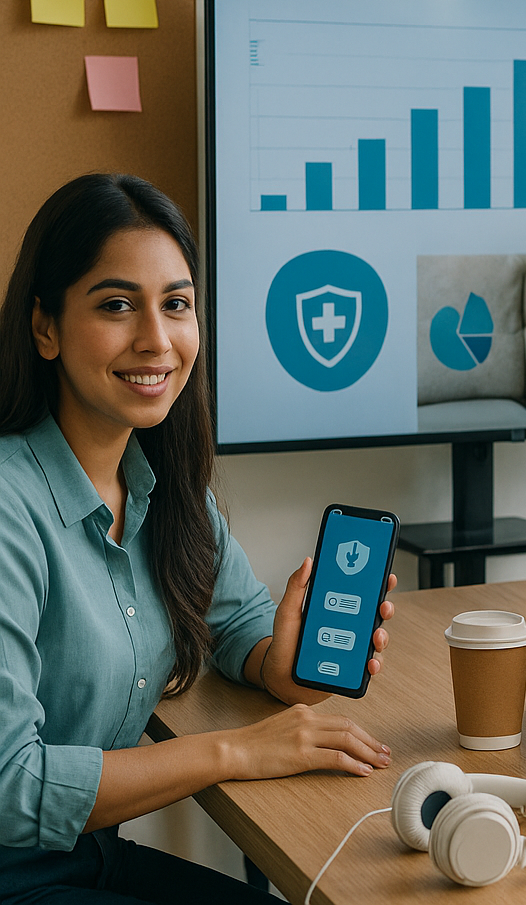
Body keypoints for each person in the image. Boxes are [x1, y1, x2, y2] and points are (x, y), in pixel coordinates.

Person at [0, 174, 394, 902]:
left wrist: (286, 665)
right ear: (45, 326)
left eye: (176, 305)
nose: (156, 339)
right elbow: (11, 785)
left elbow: (235, 619)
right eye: (117, 305)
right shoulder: (7, 505)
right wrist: (235, 752)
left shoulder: (163, 485)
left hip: (86, 860)